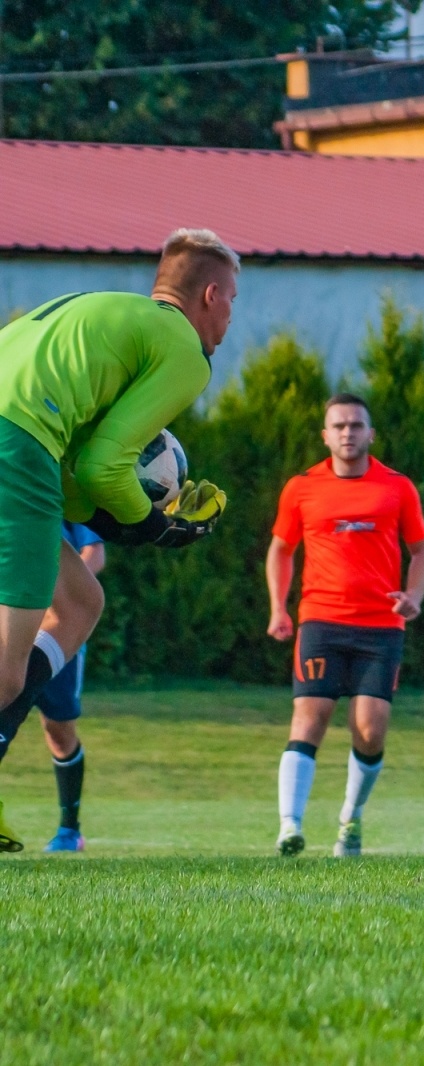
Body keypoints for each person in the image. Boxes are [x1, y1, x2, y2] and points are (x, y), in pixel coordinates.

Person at [0, 228, 233, 851]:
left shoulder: (108, 312)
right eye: (233, 301)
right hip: (14, 446)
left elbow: (77, 477)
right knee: (6, 666)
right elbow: (106, 469)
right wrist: (159, 526)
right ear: (211, 294)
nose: (230, 318)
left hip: (22, 447)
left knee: (79, 603)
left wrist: (118, 519)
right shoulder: (185, 350)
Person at [266, 394, 424, 857]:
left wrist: (413, 596)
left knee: (371, 727)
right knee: (310, 717)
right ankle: (289, 827)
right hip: (320, 620)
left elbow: (423, 551)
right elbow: (281, 549)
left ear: (370, 433)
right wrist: (279, 608)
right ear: (325, 435)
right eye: (338, 425)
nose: (347, 432)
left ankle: (350, 820)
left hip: (381, 626)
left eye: (356, 425)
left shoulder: (397, 487)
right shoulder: (301, 488)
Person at [33, 523, 106, 853]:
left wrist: (63, 591)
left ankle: (68, 830)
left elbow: (95, 554)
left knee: (58, 730)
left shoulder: (67, 494)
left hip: (56, 631)